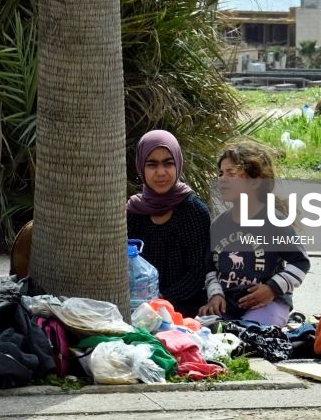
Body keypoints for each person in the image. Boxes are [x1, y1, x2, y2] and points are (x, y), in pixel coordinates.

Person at [199, 139, 310, 326]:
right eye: (220, 173)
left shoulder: (273, 222)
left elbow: (300, 262)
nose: (222, 179)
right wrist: (215, 296)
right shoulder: (219, 225)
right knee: (199, 332)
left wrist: (272, 289)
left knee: (252, 335)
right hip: (229, 305)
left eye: (231, 173)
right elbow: (211, 269)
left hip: (267, 304)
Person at [127, 130, 210, 318]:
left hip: (185, 311)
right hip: (139, 309)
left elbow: (197, 272)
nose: (161, 172)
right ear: (141, 167)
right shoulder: (133, 212)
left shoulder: (193, 211)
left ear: (178, 164)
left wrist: (161, 301)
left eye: (168, 163)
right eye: (152, 164)